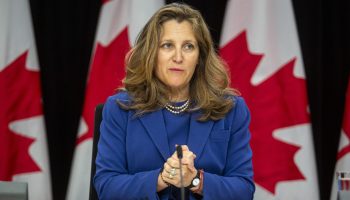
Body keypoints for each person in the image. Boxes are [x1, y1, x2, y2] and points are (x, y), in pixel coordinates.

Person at [94, 3, 255, 200]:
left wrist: (195, 180)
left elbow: (243, 190)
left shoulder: (231, 109)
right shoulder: (120, 109)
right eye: (167, 45)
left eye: (188, 46)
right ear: (152, 53)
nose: (178, 57)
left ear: (200, 57)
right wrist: (163, 178)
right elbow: (107, 187)